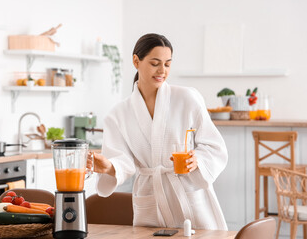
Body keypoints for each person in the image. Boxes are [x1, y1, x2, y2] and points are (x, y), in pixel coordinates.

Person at [87, 33, 228, 230]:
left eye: (167, 64)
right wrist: (109, 166)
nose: (162, 70)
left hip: (190, 197)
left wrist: (198, 159)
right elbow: (122, 160)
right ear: (136, 61)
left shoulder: (188, 98)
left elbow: (214, 146)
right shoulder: (118, 114)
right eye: (155, 63)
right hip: (150, 201)